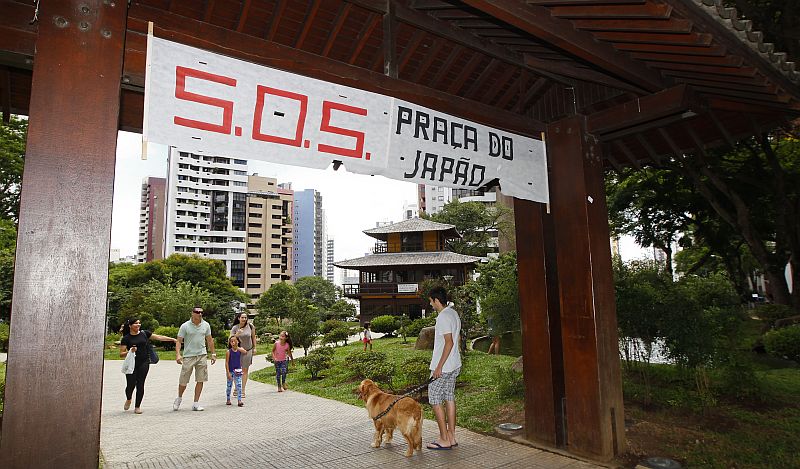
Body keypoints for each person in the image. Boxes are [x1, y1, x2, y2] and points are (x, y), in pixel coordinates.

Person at [426, 286, 461, 450]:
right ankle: (451, 436)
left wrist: (438, 367)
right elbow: (457, 340)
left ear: (436, 300)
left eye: (431, 302)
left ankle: (443, 438)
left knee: (434, 398)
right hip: (454, 364)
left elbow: (449, 342)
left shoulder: (443, 317)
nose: (431, 305)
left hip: (444, 367)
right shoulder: (453, 313)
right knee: (449, 397)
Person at [119, 318, 176, 414]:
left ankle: (137, 406)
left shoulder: (144, 333)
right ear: (130, 326)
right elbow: (121, 354)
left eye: (139, 323)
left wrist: (172, 339)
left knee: (140, 384)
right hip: (131, 364)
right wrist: (130, 351)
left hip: (144, 362)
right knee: (130, 385)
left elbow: (158, 337)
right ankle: (129, 399)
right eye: (136, 323)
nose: (138, 325)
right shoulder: (126, 338)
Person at [174, 306, 216, 411]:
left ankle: (196, 403)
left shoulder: (206, 325)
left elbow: (209, 340)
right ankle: (179, 398)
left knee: (200, 379)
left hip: (202, 355)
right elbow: (179, 341)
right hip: (188, 356)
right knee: (184, 380)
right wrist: (178, 354)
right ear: (192, 313)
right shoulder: (185, 326)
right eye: (197, 312)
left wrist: (213, 353)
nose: (199, 314)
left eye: (201, 312)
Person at [230, 312, 257, 398]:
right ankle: (237, 388)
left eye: (245, 317)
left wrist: (254, 347)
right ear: (238, 318)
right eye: (242, 317)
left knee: (245, 370)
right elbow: (230, 340)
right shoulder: (235, 328)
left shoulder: (250, 326)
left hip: (248, 350)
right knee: (237, 371)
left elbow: (253, 337)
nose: (244, 319)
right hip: (237, 351)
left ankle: (242, 390)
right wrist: (237, 335)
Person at [225, 335, 247, 407]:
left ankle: (239, 400)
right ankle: (228, 399)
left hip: (238, 370)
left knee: (239, 385)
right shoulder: (229, 352)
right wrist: (228, 372)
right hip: (231, 371)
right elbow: (226, 362)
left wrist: (237, 347)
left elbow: (245, 352)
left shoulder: (239, 350)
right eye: (231, 341)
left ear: (238, 341)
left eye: (234, 341)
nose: (233, 342)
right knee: (229, 385)